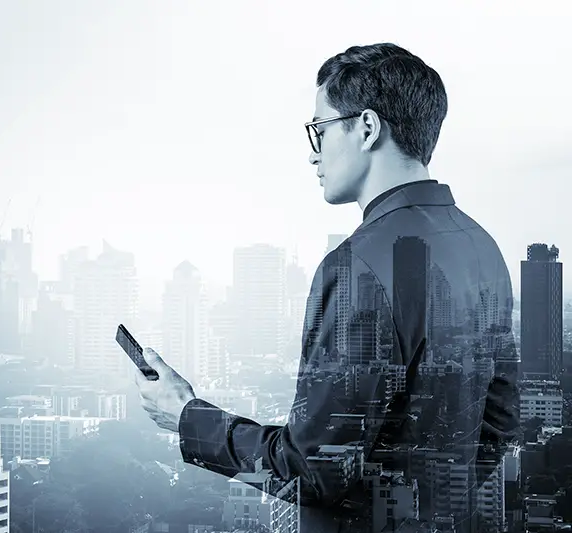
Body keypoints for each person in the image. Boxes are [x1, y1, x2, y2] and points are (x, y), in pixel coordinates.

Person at [134, 43, 520, 533]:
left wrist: (186, 416)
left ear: (366, 128)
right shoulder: (481, 247)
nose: (312, 153)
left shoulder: (360, 266)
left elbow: (313, 472)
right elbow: (500, 422)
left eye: (319, 129)